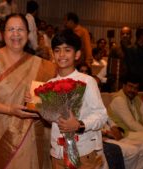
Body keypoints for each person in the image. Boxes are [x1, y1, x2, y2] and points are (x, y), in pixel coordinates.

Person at [0, 13, 56, 169]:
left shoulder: (40, 65)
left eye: (21, 29)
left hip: (29, 135)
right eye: (11, 29)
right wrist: (11, 110)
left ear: (28, 33)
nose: (16, 34)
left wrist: (40, 101)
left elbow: (48, 103)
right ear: (3, 33)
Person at [49, 29, 108, 169]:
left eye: (67, 50)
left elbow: (101, 115)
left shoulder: (87, 81)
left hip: (83, 152)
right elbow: (51, 118)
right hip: (57, 152)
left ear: (77, 54)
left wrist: (79, 125)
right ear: (53, 54)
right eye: (57, 50)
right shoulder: (49, 84)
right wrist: (35, 104)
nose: (61, 55)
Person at [125, 26, 143, 91]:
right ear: (141, 35)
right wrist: (141, 81)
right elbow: (130, 68)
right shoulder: (130, 49)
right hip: (134, 83)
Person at [106, 26, 131, 92]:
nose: (125, 36)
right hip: (117, 81)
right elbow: (110, 66)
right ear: (120, 35)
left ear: (131, 36)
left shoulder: (133, 49)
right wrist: (111, 80)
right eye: (123, 34)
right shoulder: (115, 49)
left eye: (127, 34)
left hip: (130, 81)